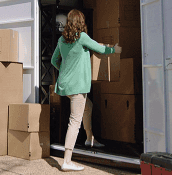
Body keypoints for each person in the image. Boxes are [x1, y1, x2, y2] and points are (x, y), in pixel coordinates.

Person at [51, 9, 122, 172]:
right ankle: (67, 161)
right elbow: (100, 49)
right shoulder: (81, 37)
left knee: (87, 107)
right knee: (74, 122)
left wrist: (64, 70)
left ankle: (90, 138)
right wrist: (114, 50)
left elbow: (55, 60)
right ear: (81, 22)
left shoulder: (62, 40)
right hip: (77, 87)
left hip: (66, 85)